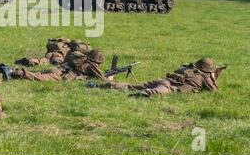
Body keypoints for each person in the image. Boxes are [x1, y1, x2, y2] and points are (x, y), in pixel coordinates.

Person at [89, 57, 227, 98]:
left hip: (163, 80)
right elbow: (215, 92)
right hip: (170, 86)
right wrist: (214, 77)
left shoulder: (188, 67)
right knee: (156, 92)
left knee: (132, 85)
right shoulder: (205, 77)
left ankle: (103, 85)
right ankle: (140, 96)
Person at [0, 49, 106, 82]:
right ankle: (13, 72)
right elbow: (103, 79)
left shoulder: (84, 59)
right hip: (60, 74)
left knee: (36, 73)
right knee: (37, 77)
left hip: (57, 68)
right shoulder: (91, 65)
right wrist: (110, 78)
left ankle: (8, 69)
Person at [15, 38, 91, 66]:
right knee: (50, 60)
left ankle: (30, 60)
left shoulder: (63, 43)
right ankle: (56, 61)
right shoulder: (75, 49)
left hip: (51, 52)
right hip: (60, 56)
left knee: (44, 60)